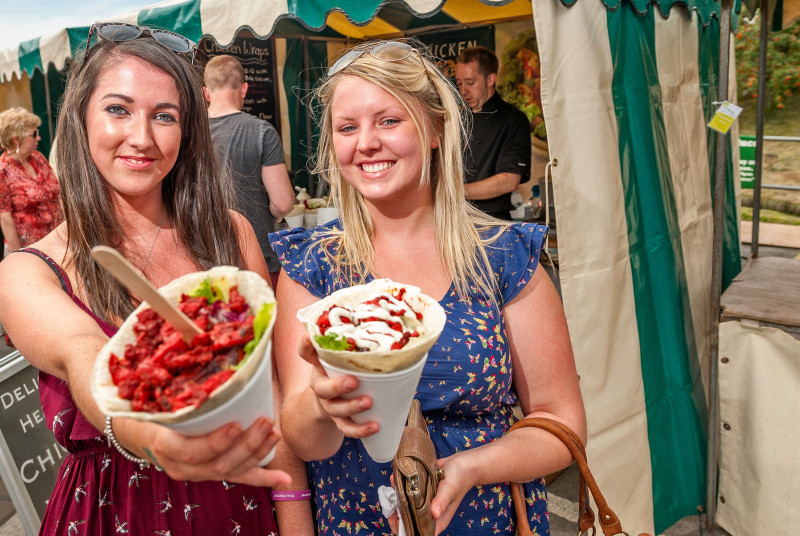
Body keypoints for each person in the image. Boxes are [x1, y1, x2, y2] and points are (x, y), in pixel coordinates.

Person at [0, 25, 313, 535]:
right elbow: (86, 355)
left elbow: (271, 397)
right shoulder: (28, 271)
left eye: (164, 116)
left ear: (188, 129)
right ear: (81, 119)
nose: (142, 137)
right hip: (115, 512)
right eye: (118, 109)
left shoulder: (229, 234)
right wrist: (151, 436)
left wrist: (297, 517)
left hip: (244, 508)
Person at [270, 39, 586, 535]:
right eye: (347, 127)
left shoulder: (502, 257)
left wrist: (470, 469)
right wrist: (320, 403)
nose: (366, 143)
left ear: (436, 127)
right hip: (354, 521)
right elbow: (304, 440)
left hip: (484, 520)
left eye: (389, 121)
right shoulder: (313, 264)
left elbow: (562, 423)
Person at [203, 55, 295, 289]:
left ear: (205, 92)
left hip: (204, 258)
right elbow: (284, 204)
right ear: (244, 88)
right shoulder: (262, 131)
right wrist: (271, 213)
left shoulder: (186, 134)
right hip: (257, 260)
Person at [455, 46, 532, 220]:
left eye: (470, 82)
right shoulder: (456, 119)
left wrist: (455, 192)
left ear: (490, 79)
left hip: (492, 222)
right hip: (455, 219)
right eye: (460, 83)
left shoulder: (513, 119)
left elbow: (508, 181)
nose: (463, 91)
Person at [0, 107, 63, 253]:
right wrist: (19, 255)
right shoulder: (3, 170)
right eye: (34, 134)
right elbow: (5, 218)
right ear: (16, 139)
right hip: (29, 249)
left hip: (56, 241)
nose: (38, 138)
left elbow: (58, 193)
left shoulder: (38, 158)